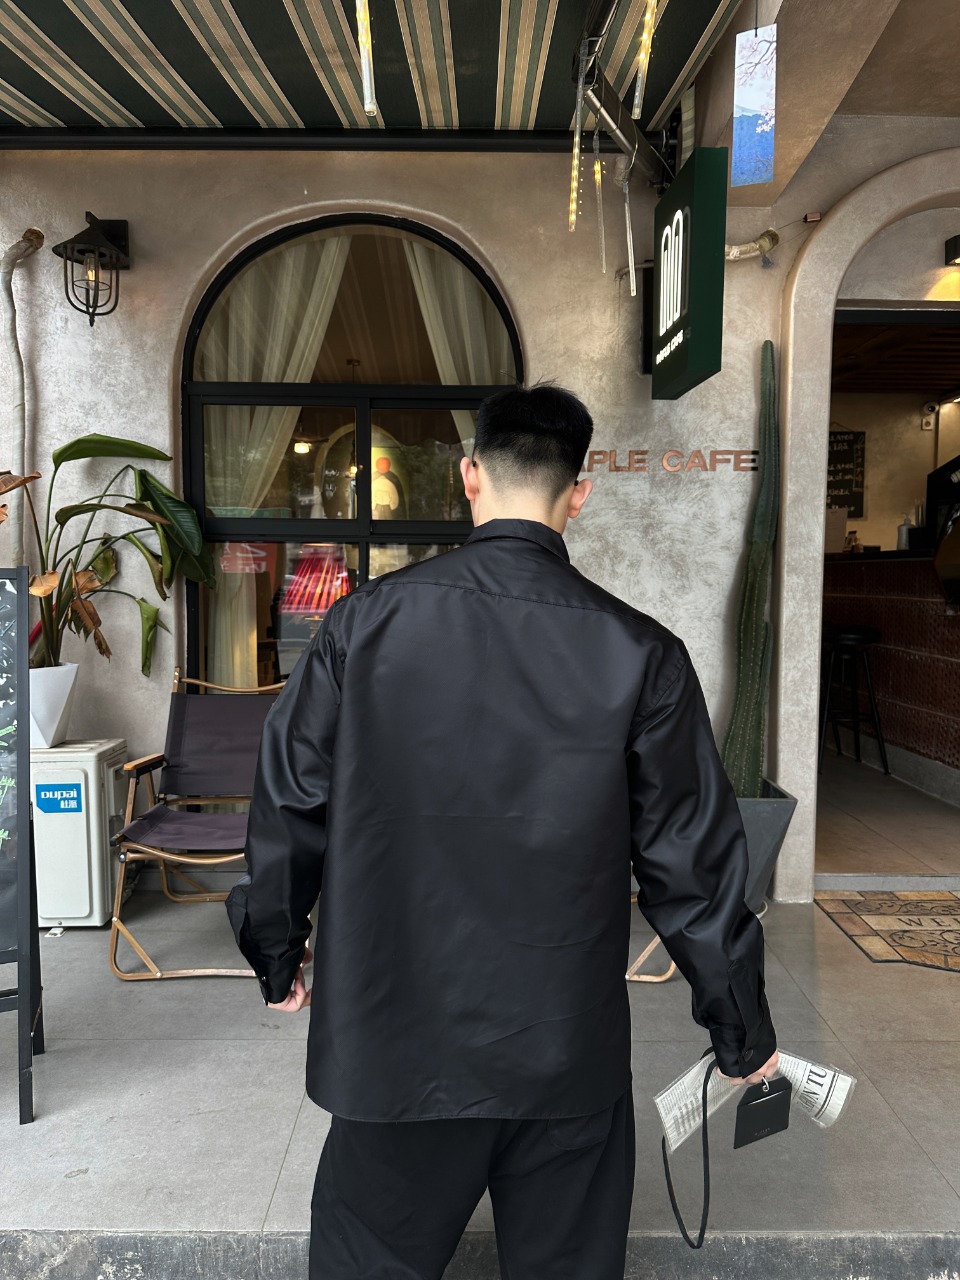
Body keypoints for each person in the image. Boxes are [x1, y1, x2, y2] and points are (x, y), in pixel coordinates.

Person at [227, 383, 778, 1280]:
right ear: (579, 492)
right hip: (563, 1049)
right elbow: (693, 866)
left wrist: (276, 950)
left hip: (393, 1043)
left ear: (470, 474)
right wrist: (741, 1028)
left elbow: (289, 802)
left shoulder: (361, 625)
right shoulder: (642, 652)